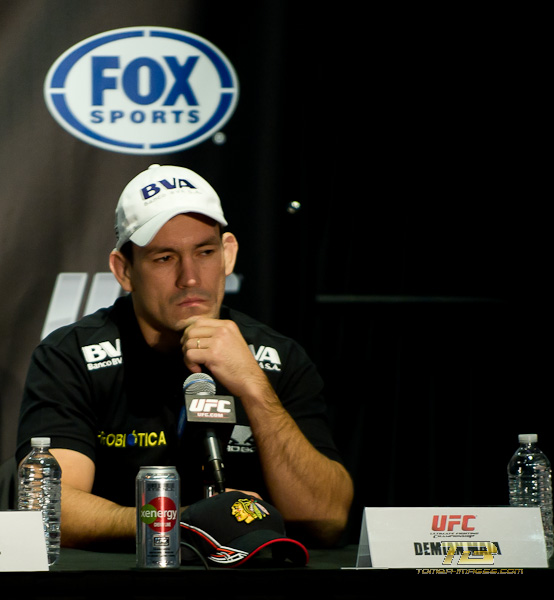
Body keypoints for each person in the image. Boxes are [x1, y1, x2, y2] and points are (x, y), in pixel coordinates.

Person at [16, 164, 353, 550]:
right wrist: (179, 521)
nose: (190, 278)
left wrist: (255, 389)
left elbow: (327, 518)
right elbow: (51, 509)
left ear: (228, 254)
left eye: (205, 252)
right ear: (124, 270)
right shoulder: (70, 357)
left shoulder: (278, 356)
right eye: (164, 258)